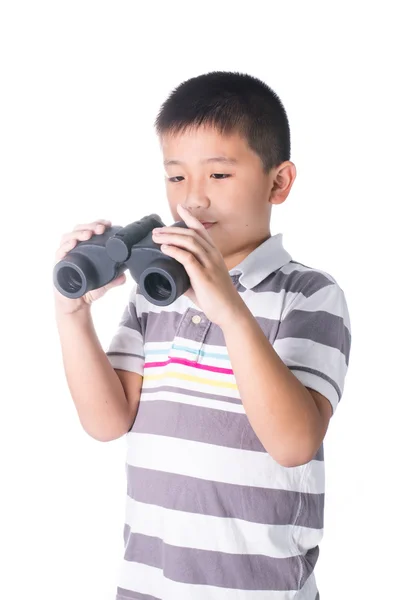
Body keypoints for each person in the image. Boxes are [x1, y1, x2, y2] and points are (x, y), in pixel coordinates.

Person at [54, 71, 351, 600]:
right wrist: (72, 315)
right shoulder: (155, 293)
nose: (194, 199)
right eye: (176, 178)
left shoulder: (308, 295)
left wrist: (231, 311)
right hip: (148, 584)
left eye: (218, 175)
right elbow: (106, 421)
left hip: (259, 590)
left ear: (278, 182)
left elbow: (293, 443)